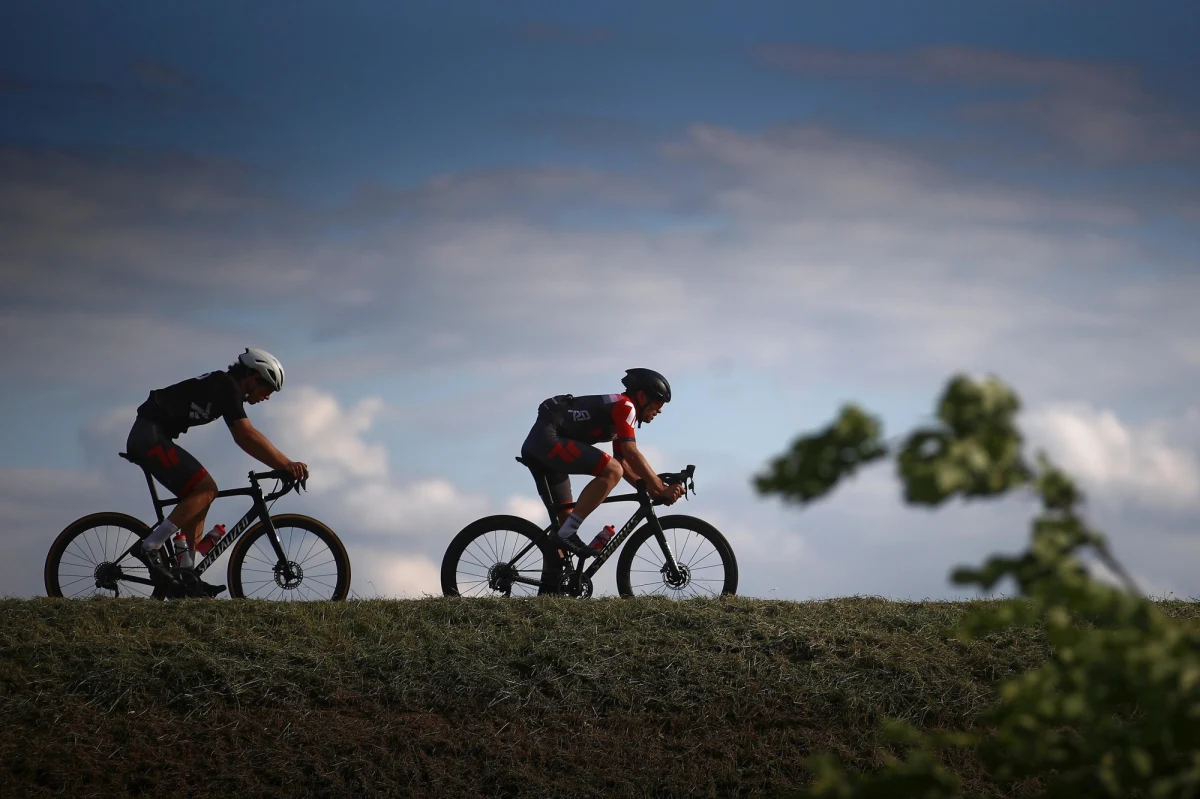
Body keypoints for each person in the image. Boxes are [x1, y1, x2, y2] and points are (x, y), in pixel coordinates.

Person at [124, 348, 308, 596]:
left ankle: (186, 576)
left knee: (201, 496)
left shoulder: (226, 387)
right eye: (268, 389)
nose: (267, 397)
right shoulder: (227, 386)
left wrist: (281, 465)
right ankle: (151, 546)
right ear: (253, 378)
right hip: (148, 436)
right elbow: (246, 436)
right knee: (206, 489)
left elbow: (244, 437)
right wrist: (285, 464)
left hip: (152, 435)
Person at [521, 368, 686, 557]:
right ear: (641, 396)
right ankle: (566, 535)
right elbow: (630, 453)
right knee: (569, 529)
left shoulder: (620, 411)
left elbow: (622, 461)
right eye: (658, 402)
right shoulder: (626, 406)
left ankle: (551, 583)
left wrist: (651, 489)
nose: (660, 410)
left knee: (565, 525)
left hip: (542, 445)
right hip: (547, 440)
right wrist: (659, 486)